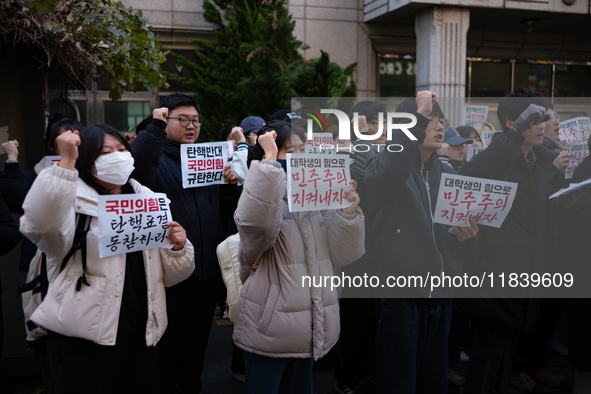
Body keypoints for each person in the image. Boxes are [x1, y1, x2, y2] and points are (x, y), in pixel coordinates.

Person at [19, 124, 195, 394]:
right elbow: (41, 226)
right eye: (105, 152)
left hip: (141, 340)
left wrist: (178, 249)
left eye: (122, 149)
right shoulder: (71, 200)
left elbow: (173, 276)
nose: (117, 156)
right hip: (82, 344)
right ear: (88, 161)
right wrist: (66, 163)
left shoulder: (148, 200)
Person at [233, 120, 365, 394]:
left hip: (310, 327)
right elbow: (257, 229)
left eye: (303, 149)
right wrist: (269, 161)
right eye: (288, 150)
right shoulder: (259, 195)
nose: (299, 157)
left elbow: (343, 255)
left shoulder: (318, 196)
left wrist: (346, 213)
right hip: (269, 330)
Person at [365, 91, 478, 394]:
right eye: (431, 120)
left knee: (434, 382)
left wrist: (464, 239)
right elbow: (391, 166)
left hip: (441, 294)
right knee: (399, 383)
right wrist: (417, 115)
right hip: (400, 294)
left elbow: (451, 238)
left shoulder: (448, 173)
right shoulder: (384, 168)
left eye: (441, 120)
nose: (439, 127)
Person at [130, 93, 240, 394]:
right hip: (171, 276)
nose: (191, 126)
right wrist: (154, 128)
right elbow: (135, 168)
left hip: (206, 273)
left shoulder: (207, 158)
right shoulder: (154, 161)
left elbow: (221, 211)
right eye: (183, 120)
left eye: (195, 120)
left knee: (196, 351)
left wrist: (229, 188)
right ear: (166, 120)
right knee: (166, 352)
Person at [459, 88, 567, 394]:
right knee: (488, 358)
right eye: (536, 119)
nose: (543, 125)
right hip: (497, 276)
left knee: (506, 358)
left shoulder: (538, 162)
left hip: (528, 272)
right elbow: (483, 171)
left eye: (546, 118)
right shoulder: (496, 160)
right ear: (512, 124)